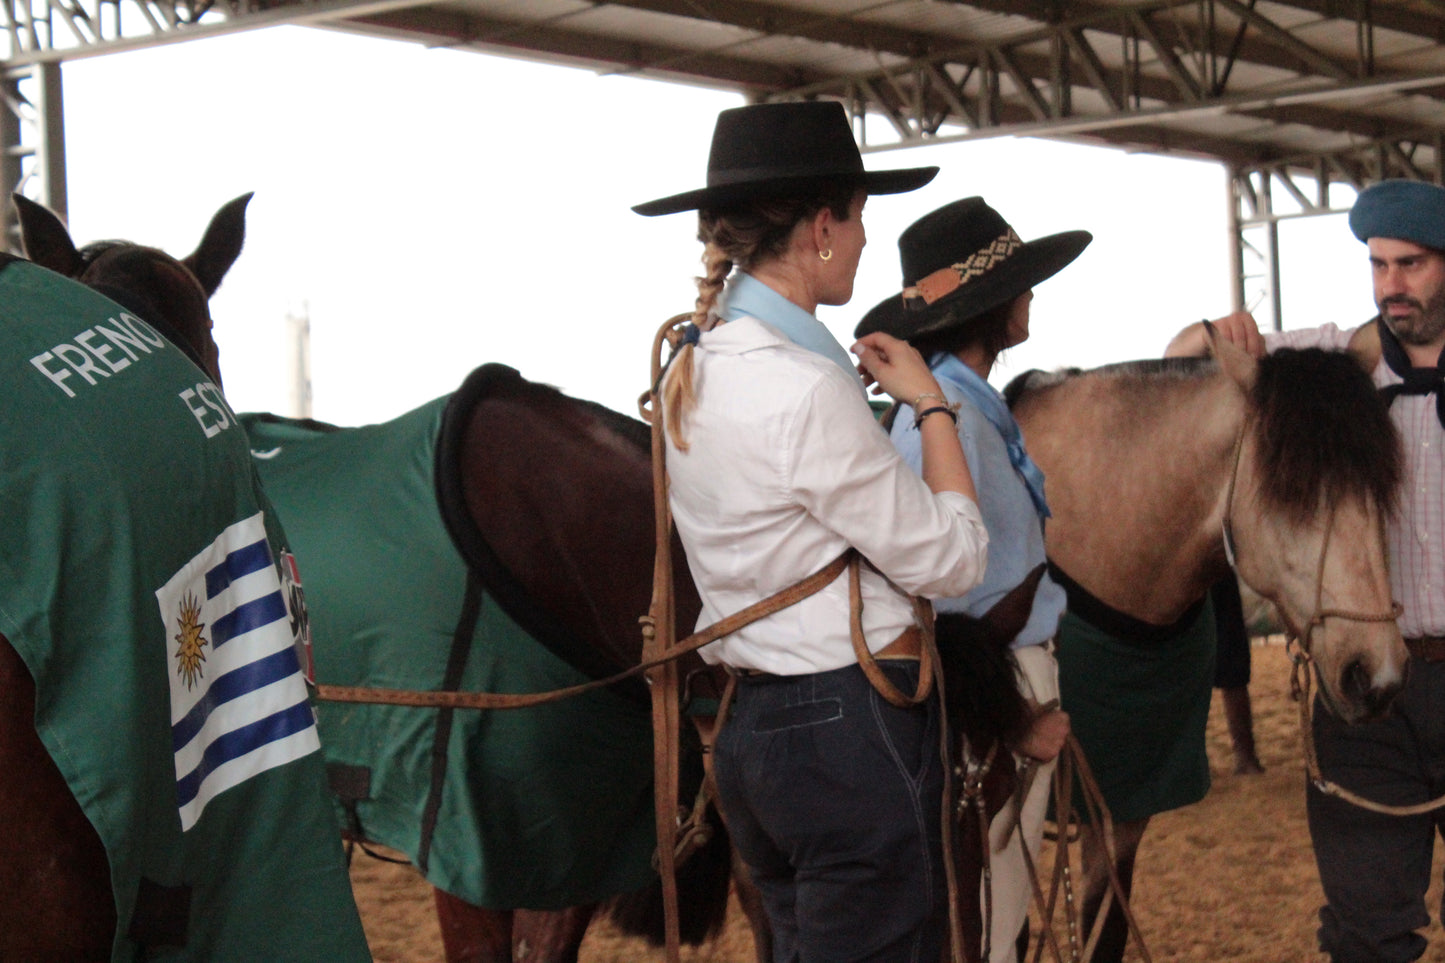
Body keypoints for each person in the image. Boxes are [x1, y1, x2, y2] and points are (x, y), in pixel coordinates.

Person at [633, 100, 991, 963]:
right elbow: (955, 558)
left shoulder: (695, 365)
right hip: (846, 733)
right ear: (823, 227)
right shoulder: (803, 385)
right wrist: (930, 406)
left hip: (753, 735)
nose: (867, 240)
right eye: (861, 218)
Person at [1167, 178, 1445, 963]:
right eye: (1378, 264)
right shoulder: (1333, 363)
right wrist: (1213, 327)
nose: (1390, 284)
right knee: (1365, 932)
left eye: (1412, 264)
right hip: (1359, 687)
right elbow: (1184, 356)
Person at [854, 196, 1084, 962]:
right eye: (1019, 283)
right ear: (987, 305)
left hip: (1003, 668)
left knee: (998, 909)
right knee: (984, 916)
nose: (1029, 296)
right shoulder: (943, 415)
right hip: (988, 688)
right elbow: (937, 607)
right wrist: (1015, 713)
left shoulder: (965, 406)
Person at [1211, 575, 1265, 775]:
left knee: (1234, 668)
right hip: (1185, 571)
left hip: (1216, 570)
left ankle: (1245, 755)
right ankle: (1245, 756)